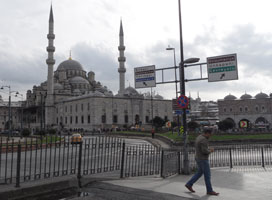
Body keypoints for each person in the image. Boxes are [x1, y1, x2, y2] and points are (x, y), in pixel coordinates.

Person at [185, 128, 219, 196]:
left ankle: (189, 184)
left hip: (198, 157)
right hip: (203, 159)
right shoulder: (204, 140)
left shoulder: (199, 137)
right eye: (210, 134)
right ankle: (209, 190)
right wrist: (210, 151)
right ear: (207, 133)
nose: (210, 136)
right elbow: (204, 151)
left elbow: (201, 149)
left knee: (199, 173)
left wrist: (207, 149)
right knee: (207, 175)